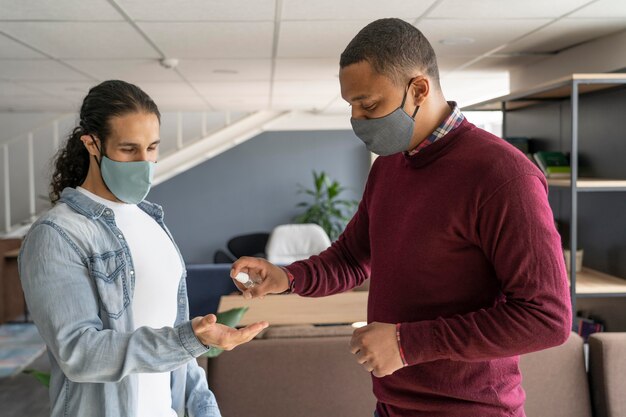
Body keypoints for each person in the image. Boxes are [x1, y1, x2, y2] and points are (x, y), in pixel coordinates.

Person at [231, 18, 571, 417]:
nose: (357, 119)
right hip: (391, 407)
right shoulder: (389, 166)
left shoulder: (502, 175)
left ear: (419, 89)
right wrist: (288, 278)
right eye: (352, 106)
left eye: (369, 104)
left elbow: (546, 318)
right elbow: (352, 258)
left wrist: (408, 344)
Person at [18, 80, 268, 417]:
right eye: (128, 149)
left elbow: (179, 344)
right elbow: (79, 353)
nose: (144, 161)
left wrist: (203, 405)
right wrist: (188, 340)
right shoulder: (57, 234)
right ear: (92, 144)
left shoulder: (153, 222)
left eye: (152, 148)